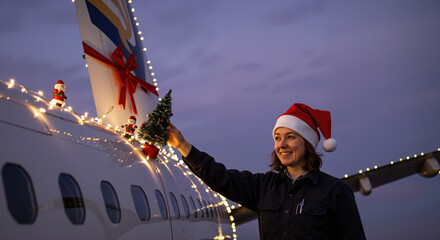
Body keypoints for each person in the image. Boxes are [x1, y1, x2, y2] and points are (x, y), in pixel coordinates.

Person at [167, 103, 366, 240]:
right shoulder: (263, 186)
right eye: (278, 138)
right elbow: (220, 176)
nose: (282, 145)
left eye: (290, 137)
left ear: (307, 144)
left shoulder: (335, 191)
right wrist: (183, 145)